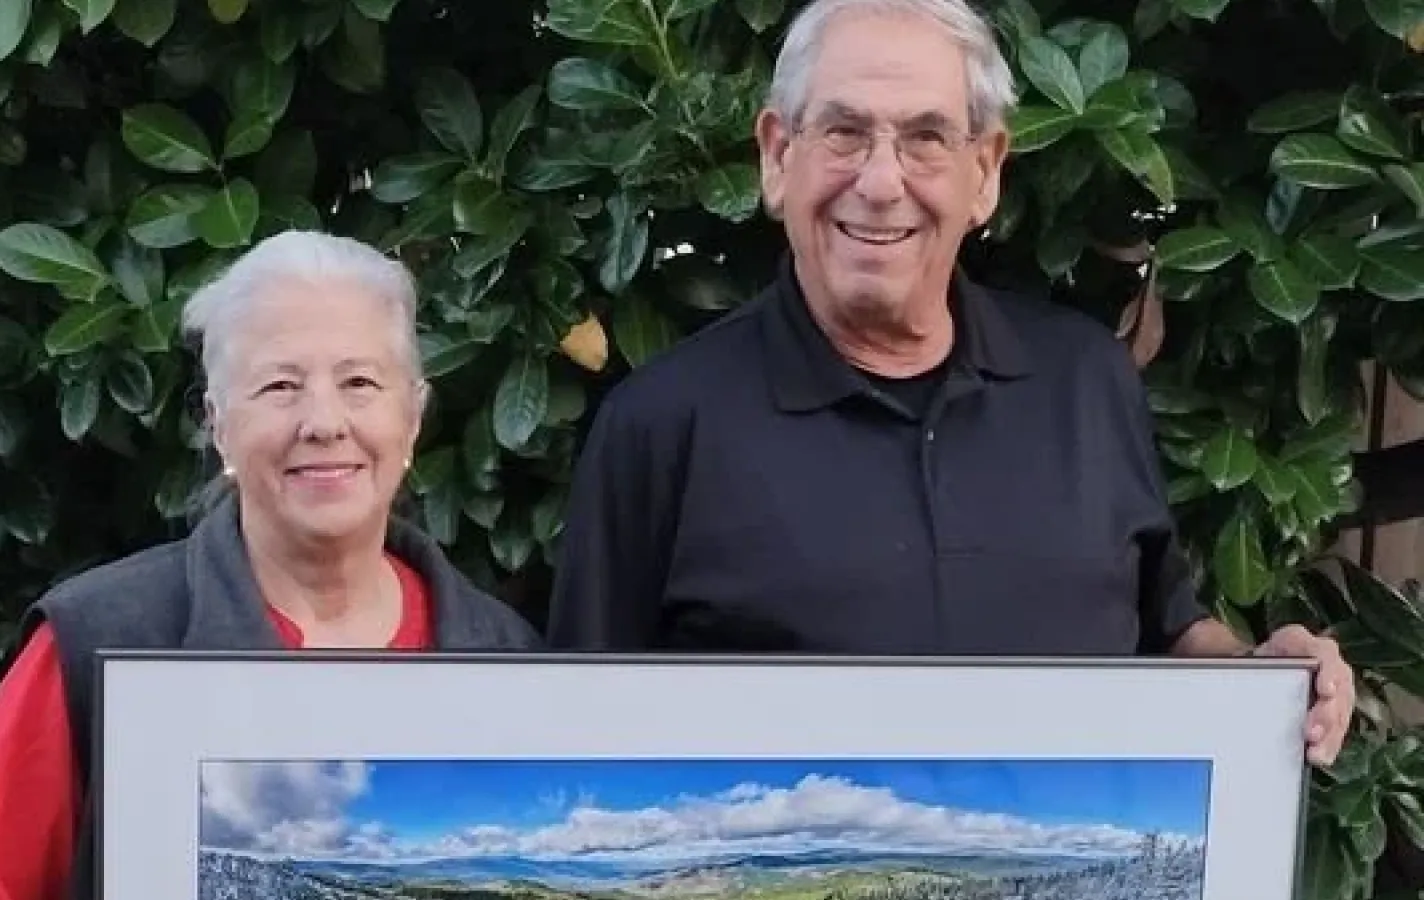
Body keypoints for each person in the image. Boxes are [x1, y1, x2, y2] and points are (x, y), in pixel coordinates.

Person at [545, 0, 1353, 767]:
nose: (880, 182)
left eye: (926, 137)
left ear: (986, 172)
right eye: (844, 132)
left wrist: (1269, 680)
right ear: (777, 156)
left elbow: (1169, 629)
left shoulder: (1085, 383)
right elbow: (578, 743)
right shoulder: (661, 425)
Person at [0, 231, 542, 900]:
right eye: (280, 385)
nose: (323, 421)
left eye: (360, 383)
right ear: (219, 423)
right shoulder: (102, 640)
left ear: (412, 417)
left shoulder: (508, 659)